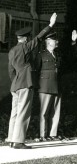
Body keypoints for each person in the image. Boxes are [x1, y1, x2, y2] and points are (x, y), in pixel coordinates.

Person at [7, 13, 57, 149]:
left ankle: (11, 139)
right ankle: (18, 141)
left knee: (15, 112)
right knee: (23, 112)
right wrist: (50, 25)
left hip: (15, 85)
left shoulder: (12, 51)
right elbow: (39, 37)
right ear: (26, 38)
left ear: (18, 38)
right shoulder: (26, 47)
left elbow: (11, 71)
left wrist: (15, 82)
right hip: (25, 83)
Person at [36, 32, 62, 141]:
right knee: (44, 112)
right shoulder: (41, 54)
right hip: (45, 86)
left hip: (56, 85)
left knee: (55, 111)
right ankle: (43, 134)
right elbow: (37, 70)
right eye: (54, 40)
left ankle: (53, 134)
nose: (57, 42)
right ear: (48, 42)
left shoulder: (57, 54)